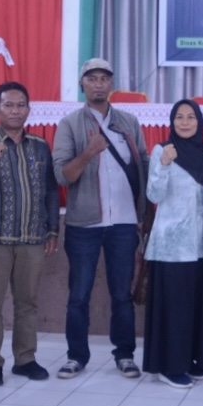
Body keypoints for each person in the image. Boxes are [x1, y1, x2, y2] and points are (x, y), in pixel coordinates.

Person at [52, 58, 148, 380]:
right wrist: (89, 152)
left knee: (122, 294)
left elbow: (144, 166)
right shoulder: (69, 125)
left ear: (111, 84)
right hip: (84, 225)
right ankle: (76, 356)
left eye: (103, 79)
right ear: (82, 84)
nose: (98, 84)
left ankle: (125, 355)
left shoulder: (129, 122)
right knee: (79, 295)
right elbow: (63, 176)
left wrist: (147, 213)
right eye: (91, 78)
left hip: (124, 223)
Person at [0, 82, 60, 387]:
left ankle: (25, 359)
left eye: (20, 105)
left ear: (28, 110)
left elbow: (51, 191)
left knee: (27, 303)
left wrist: (52, 230)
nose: (15, 111)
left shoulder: (40, 146)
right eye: (8, 105)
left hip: (32, 239)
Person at [143, 100, 203, 388]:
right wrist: (164, 164)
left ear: (199, 122)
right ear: (172, 122)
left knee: (196, 307)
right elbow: (154, 195)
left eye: (191, 117)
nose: (185, 122)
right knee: (176, 309)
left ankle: (190, 359)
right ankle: (170, 366)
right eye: (179, 117)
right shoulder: (163, 151)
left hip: (202, 245)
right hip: (173, 247)